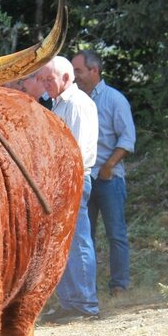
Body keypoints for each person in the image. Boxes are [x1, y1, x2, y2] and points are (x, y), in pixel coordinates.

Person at [36, 55, 100, 321]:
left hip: (72, 180)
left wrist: (61, 182)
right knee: (62, 244)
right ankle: (70, 302)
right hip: (60, 181)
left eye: (48, 79)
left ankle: (85, 304)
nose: (44, 84)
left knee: (78, 240)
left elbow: (78, 151)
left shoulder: (76, 104)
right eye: (41, 80)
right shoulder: (58, 104)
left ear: (65, 78)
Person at [71, 50, 136, 297]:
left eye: (79, 71)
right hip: (84, 178)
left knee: (116, 233)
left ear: (94, 71)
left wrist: (108, 166)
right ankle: (89, 289)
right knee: (85, 237)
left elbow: (128, 138)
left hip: (109, 179)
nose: (75, 77)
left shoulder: (114, 99)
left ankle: (119, 285)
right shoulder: (74, 101)